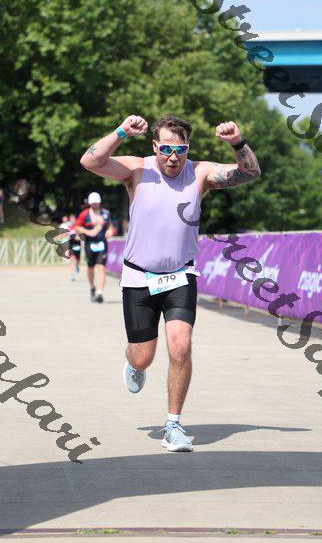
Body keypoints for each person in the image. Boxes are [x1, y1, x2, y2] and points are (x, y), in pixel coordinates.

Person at [80, 114, 261, 452]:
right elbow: (90, 161)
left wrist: (237, 142)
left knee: (180, 345)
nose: (173, 157)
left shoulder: (200, 173)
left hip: (180, 275)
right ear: (155, 146)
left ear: (188, 148)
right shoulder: (137, 169)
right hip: (138, 276)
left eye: (180, 150)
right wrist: (121, 132)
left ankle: (173, 425)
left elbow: (250, 172)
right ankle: (134, 364)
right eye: (165, 149)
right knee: (143, 357)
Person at [75, 192, 112, 302]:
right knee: (90, 268)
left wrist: (110, 231)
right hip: (89, 243)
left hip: (102, 243)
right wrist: (88, 232)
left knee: (101, 267)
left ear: (99, 202)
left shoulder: (105, 213)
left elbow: (110, 226)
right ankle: (92, 288)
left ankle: (100, 293)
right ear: (90, 203)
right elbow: (77, 227)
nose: (94, 204)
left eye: (96, 202)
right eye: (92, 203)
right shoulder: (84, 214)